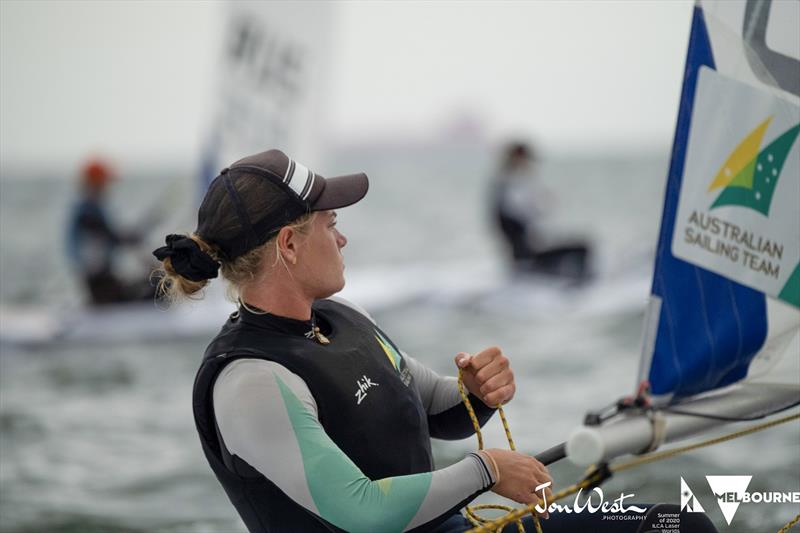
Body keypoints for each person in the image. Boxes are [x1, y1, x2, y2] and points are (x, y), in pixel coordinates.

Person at [153, 149, 717, 533]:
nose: (343, 235)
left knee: (676, 524)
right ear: (290, 245)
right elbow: (363, 513)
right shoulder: (249, 380)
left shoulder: (344, 316)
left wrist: (477, 391)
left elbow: (435, 409)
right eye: (329, 223)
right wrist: (488, 470)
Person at [490, 142, 591, 280]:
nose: (528, 164)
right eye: (525, 159)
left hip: (522, 254)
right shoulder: (512, 187)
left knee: (577, 245)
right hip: (526, 256)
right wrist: (541, 203)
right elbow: (526, 216)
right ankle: (580, 287)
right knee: (582, 247)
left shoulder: (504, 187)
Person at [67, 158, 154, 305]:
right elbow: (112, 236)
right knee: (156, 288)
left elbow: (113, 237)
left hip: (103, 281)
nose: (108, 187)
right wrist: (133, 239)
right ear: (96, 184)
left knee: (152, 285)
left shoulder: (90, 209)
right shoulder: (87, 213)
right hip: (100, 285)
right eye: (105, 183)